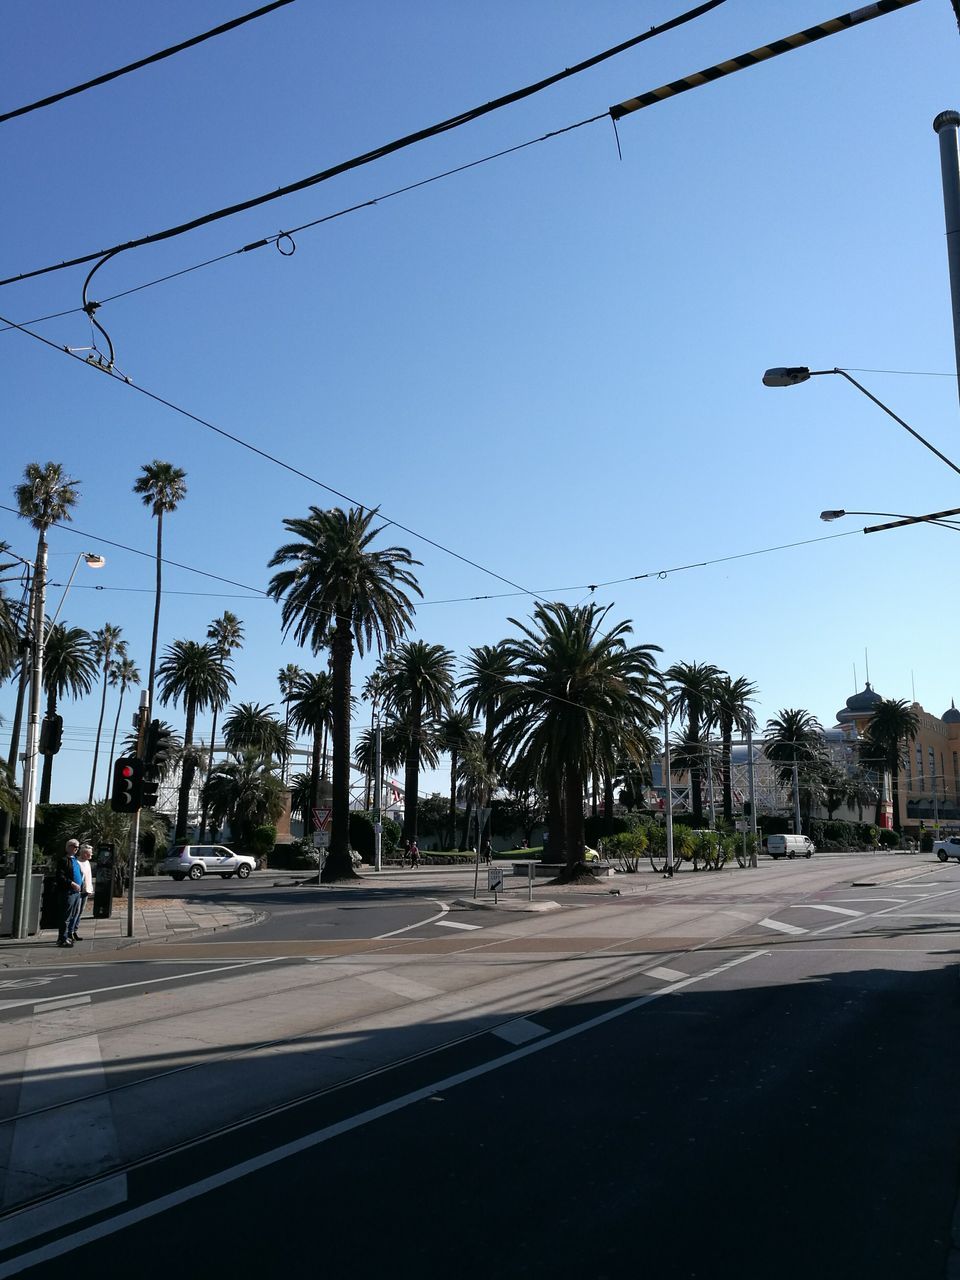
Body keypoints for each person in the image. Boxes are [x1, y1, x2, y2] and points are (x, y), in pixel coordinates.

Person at [55, 838, 83, 948]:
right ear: (69, 847)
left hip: (76, 893)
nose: (76, 849)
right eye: (74, 846)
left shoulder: (75, 860)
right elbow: (60, 876)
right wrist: (72, 883)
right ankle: (62, 938)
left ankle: (68, 936)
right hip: (68, 892)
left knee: (73, 915)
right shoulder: (63, 860)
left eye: (78, 847)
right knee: (65, 916)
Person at [72, 843, 94, 942]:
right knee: (75, 912)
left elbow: (88, 876)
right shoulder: (77, 862)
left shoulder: (87, 862)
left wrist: (90, 888)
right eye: (90, 853)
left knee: (80, 912)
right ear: (84, 854)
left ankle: (75, 930)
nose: (91, 855)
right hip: (79, 891)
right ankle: (70, 931)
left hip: (86, 890)